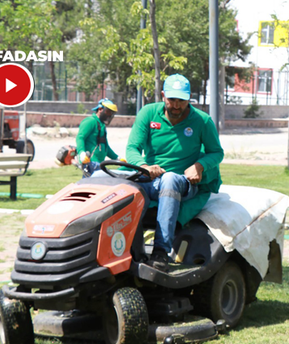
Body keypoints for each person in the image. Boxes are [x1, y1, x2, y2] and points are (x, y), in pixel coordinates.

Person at [126, 74, 224, 272]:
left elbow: (217, 152)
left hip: (182, 182)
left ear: (189, 99)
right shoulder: (148, 113)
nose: (177, 105)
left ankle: (161, 252)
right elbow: (131, 149)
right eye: (172, 99)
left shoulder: (202, 121)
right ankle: (127, 249)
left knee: (170, 179)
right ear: (163, 96)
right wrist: (143, 165)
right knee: (111, 183)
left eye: (182, 100)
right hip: (150, 179)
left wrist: (200, 165)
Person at [76, 98, 122, 177]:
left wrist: (117, 158)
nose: (109, 115)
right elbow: (80, 137)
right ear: (100, 109)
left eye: (111, 113)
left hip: (99, 164)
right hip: (91, 163)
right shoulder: (90, 121)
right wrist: (82, 153)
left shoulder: (102, 125)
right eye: (108, 111)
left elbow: (105, 147)